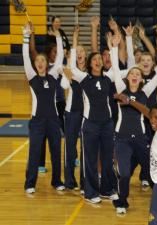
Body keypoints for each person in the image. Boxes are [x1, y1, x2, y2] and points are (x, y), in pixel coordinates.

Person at [109, 29, 157, 213]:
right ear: (128, 77)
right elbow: (114, 68)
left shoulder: (144, 91)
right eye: (132, 73)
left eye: (138, 74)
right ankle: (122, 202)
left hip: (141, 138)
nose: (135, 75)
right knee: (125, 173)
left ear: (141, 79)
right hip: (121, 139)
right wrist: (114, 48)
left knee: (152, 170)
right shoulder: (121, 88)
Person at [70, 31, 120, 204]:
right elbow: (72, 67)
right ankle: (90, 192)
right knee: (90, 160)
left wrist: (114, 47)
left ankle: (107, 189)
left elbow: (115, 68)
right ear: (90, 64)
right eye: (95, 59)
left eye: (100, 58)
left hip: (107, 124)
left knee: (107, 159)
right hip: (90, 124)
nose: (98, 61)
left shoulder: (108, 77)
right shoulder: (84, 78)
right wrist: (74, 43)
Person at [22, 23, 66, 194]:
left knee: (56, 152)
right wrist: (26, 36)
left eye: (42, 60)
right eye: (37, 61)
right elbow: (26, 57)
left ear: (47, 64)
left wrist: (58, 37)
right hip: (37, 122)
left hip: (54, 121)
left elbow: (61, 55)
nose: (39, 62)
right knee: (34, 153)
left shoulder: (54, 75)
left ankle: (57, 181)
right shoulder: (31, 76)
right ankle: (30, 183)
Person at [62, 25, 85, 191]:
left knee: (86, 148)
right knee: (70, 148)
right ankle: (70, 181)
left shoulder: (91, 72)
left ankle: (86, 181)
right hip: (71, 113)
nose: (80, 55)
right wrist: (74, 38)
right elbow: (64, 84)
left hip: (87, 114)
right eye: (77, 53)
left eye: (82, 52)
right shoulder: (71, 72)